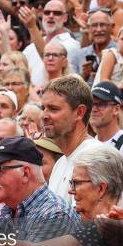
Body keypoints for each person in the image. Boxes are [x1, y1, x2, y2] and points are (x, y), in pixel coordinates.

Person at [45, 75, 103, 203]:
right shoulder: (60, 163)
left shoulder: (96, 156)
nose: (44, 115)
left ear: (79, 112)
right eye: (44, 108)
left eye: (53, 109)